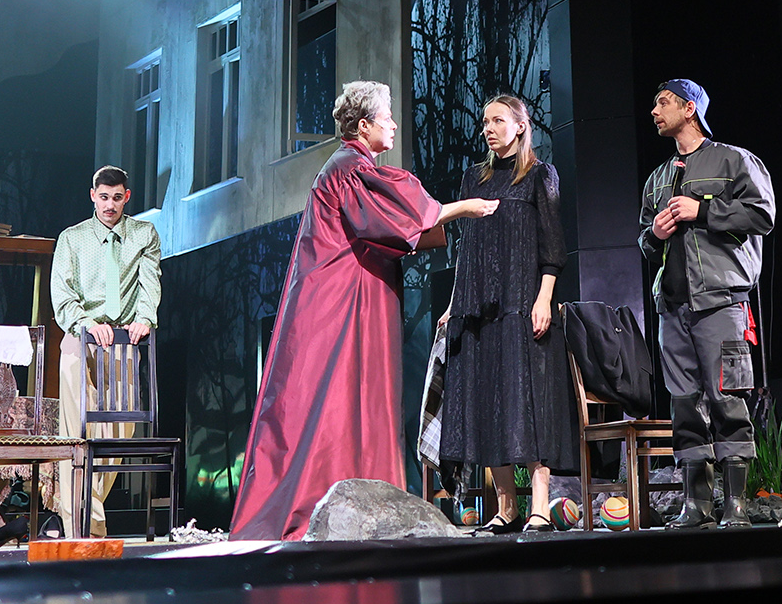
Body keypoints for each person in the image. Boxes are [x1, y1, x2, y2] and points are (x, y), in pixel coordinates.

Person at [230, 80, 500, 541]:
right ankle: (323, 500)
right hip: (339, 298)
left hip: (351, 292)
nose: (393, 124)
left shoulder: (352, 166)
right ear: (363, 126)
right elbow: (399, 216)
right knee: (335, 395)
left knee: (352, 394)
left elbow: (393, 220)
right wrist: (464, 208)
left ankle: (352, 496)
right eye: (386, 117)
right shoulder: (351, 168)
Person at [639, 79, 774, 529]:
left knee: (727, 399)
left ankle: (735, 504)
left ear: (689, 109)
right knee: (684, 404)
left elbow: (762, 215)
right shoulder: (657, 178)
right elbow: (646, 243)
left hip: (720, 302)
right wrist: (654, 235)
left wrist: (704, 211)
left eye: (663, 103)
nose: (654, 111)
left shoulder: (733, 160)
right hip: (672, 307)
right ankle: (695, 504)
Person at [437, 95, 574, 534]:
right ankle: (507, 507)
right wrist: (454, 304)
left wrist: (543, 298)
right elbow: (466, 253)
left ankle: (539, 506)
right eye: (485, 122)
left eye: (498, 121)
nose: (489, 129)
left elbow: (553, 246)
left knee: (528, 402)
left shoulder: (539, 175)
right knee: (486, 402)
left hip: (522, 303)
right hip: (478, 308)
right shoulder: (473, 178)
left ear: (520, 126)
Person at [51, 165, 161, 537]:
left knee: (117, 434)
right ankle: (80, 529)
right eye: (103, 197)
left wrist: (145, 317)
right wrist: (86, 322)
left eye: (116, 198)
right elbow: (62, 294)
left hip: (122, 341)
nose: (109, 205)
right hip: (80, 338)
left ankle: (90, 516)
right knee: (76, 436)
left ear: (126, 197)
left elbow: (150, 283)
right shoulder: (72, 238)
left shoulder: (143, 234)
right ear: (93, 196)